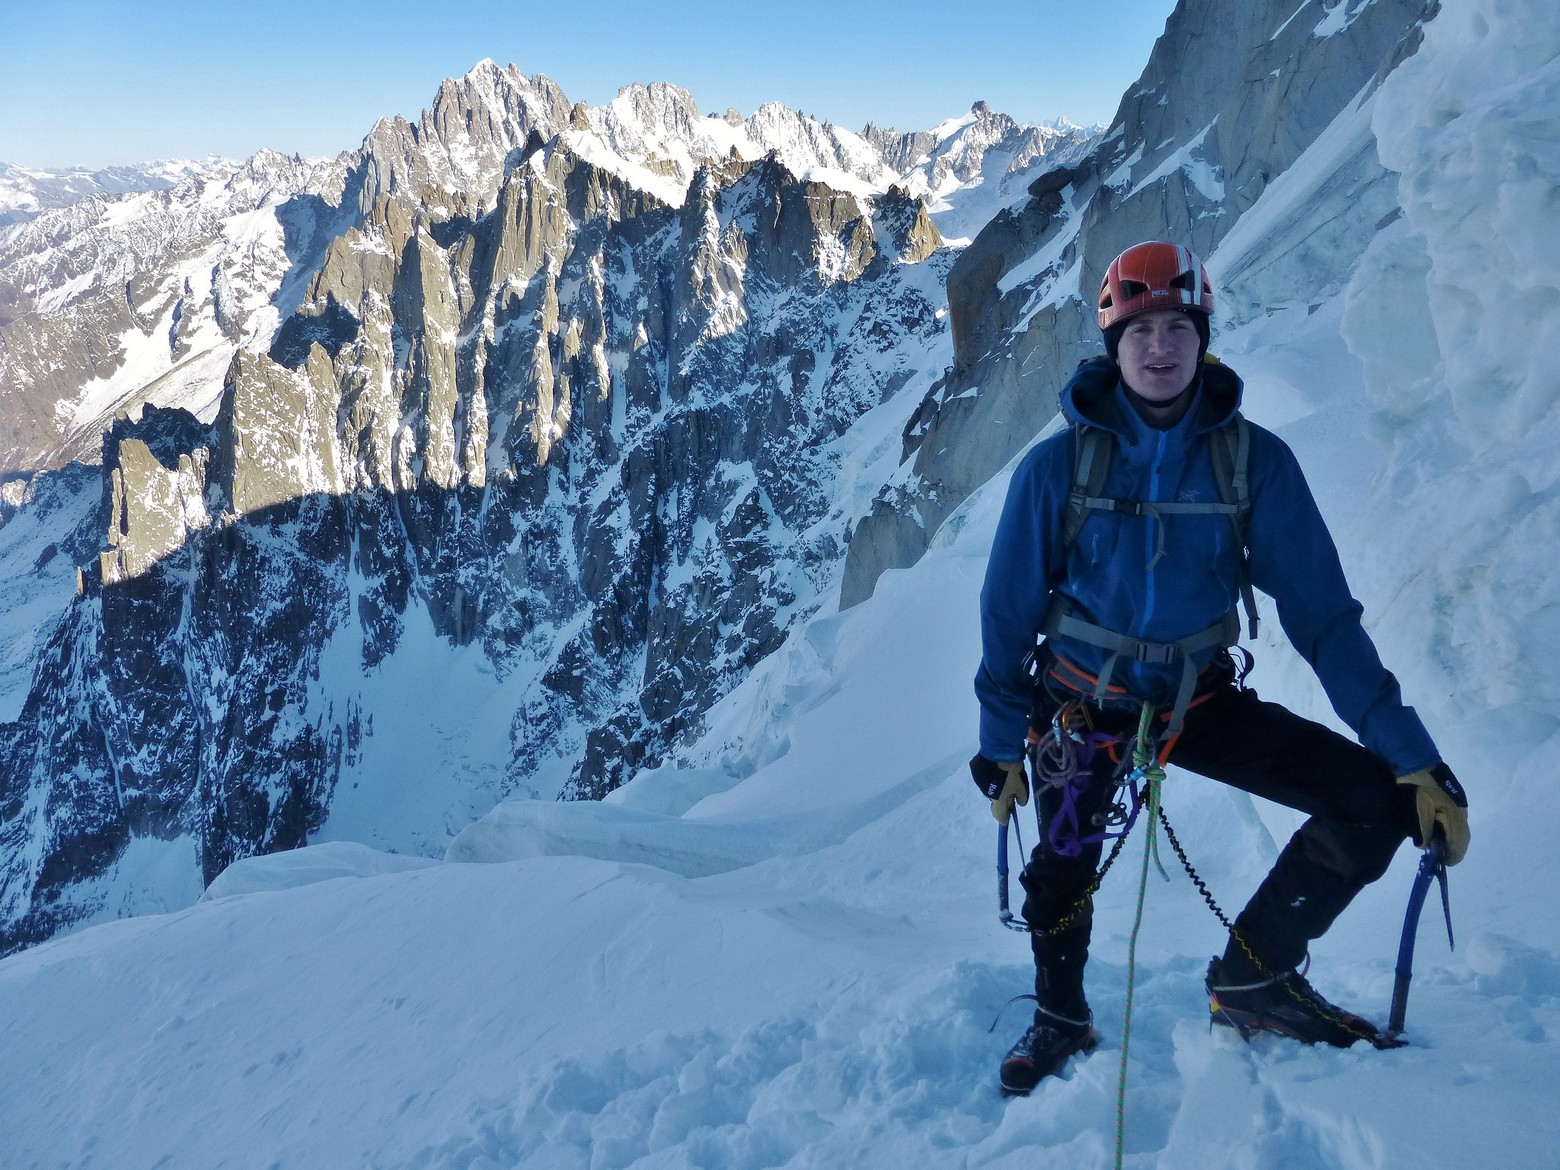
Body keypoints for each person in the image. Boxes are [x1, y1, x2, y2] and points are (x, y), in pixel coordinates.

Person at [969, 241, 1470, 1097]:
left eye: (1177, 327)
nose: (1159, 347)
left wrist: (1409, 756)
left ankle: (1253, 978)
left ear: (1203, 338)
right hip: (1081, 704)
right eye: (1140, 331)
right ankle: (1059, 1014)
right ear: (1113, 345)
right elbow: (1006, 614)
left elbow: (1323, 618)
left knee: (1371, 799)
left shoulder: (1252, 462)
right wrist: (999, 741)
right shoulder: (1059, 467)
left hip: (1193, 702)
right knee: (1060, 868)